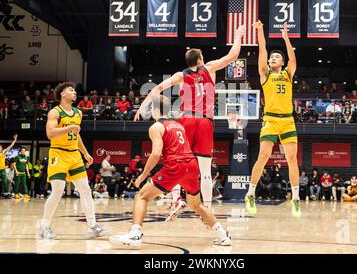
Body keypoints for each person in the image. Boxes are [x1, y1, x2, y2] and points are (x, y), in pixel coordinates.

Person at [134, 25, 245, 213]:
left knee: (177, 160)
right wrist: (238, 35)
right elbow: (232, 56)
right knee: (205, 171)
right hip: (204, 121)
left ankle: (176, 198)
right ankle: (207, 210)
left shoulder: (180, 75)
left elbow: (156, 89)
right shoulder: (209, 68)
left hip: (185, 121)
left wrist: (142, 107)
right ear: (201, 59)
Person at [109, 96, 231, 248]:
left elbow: (155, 154)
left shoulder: (155, 127)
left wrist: (143, 174)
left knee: (141, 196)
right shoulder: (178, 125)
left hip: (176, 165)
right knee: (196, 205)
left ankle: (135, 233)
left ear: (155, 111)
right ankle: (223, 235)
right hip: (191, 165)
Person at [37, 82, 109, 239]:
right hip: (58, 154)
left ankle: (93, 226)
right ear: (63, 94)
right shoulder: (55, 112)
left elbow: (76, 135)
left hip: (74, 155)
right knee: (57, 191)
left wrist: (86, 153)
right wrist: (69, 128)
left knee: (85, 189)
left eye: (75, 91)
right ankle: (44, 226)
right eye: (71, 90)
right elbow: (50, 133)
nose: (75, 93)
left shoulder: (78, 113)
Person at [244, 21, 301, 217]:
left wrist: (286, 37)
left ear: (282, 62)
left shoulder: (288, 73)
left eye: (276, 57)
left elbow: (293, 60)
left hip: (287, 120)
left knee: (292, 159)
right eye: (271, 57)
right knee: (264, 156)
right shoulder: (265, 74)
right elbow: (262, 50)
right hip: (270, 119)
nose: (272, 58)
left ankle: (295, 198)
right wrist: (260, 31)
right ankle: (250, 193)